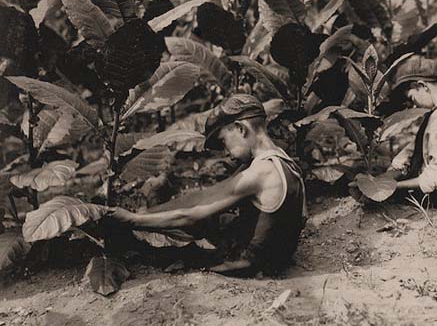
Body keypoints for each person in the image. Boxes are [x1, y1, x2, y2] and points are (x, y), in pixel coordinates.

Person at [107, 94, 307, 277]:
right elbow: (204, 197)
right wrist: (148, 214)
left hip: (250, 264)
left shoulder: (260, 172)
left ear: (240, 129)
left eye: (223, 141)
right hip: (279, 258)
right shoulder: (284, 161)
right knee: (212, 216)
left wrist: (133, 220)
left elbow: (191, 214)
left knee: (175, 239)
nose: (226, 151)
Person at [367, 56, 437, 207]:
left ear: (421, 86)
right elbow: (418, 147)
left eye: (412, 97)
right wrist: (392, 171)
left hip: (430, 200)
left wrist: (392, 188)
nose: (414, 106)